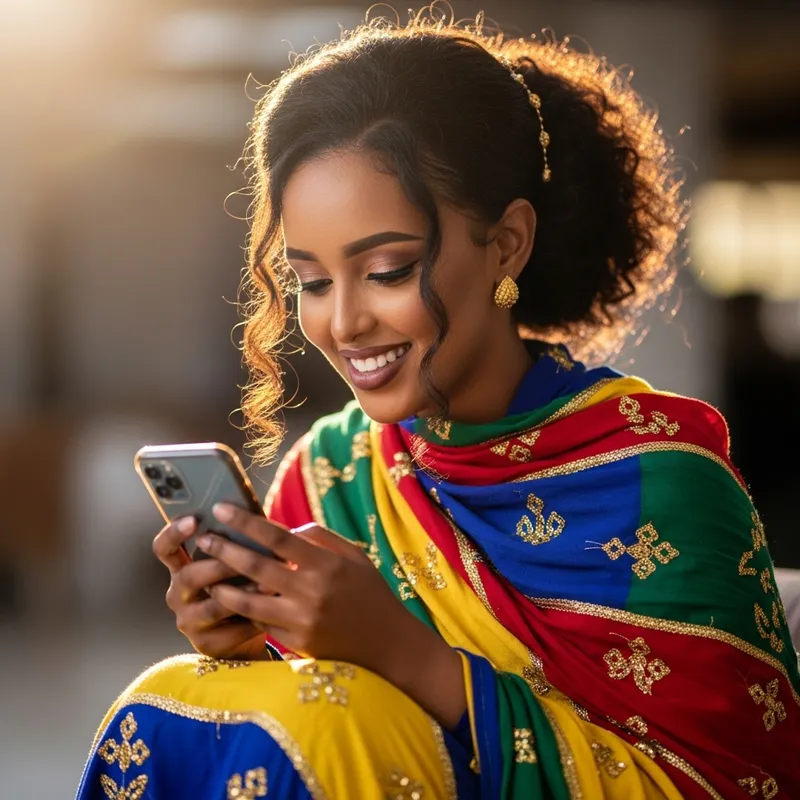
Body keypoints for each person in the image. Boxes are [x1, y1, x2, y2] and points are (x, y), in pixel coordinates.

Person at [76, 10, 800, 799]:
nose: (343, 323)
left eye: (387, 270)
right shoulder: (329, 473)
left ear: (506, 243)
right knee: (174, 693)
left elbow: (728, 784)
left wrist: (404, 653)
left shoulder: (659, 482)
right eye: (310, 281)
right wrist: (249, 649)